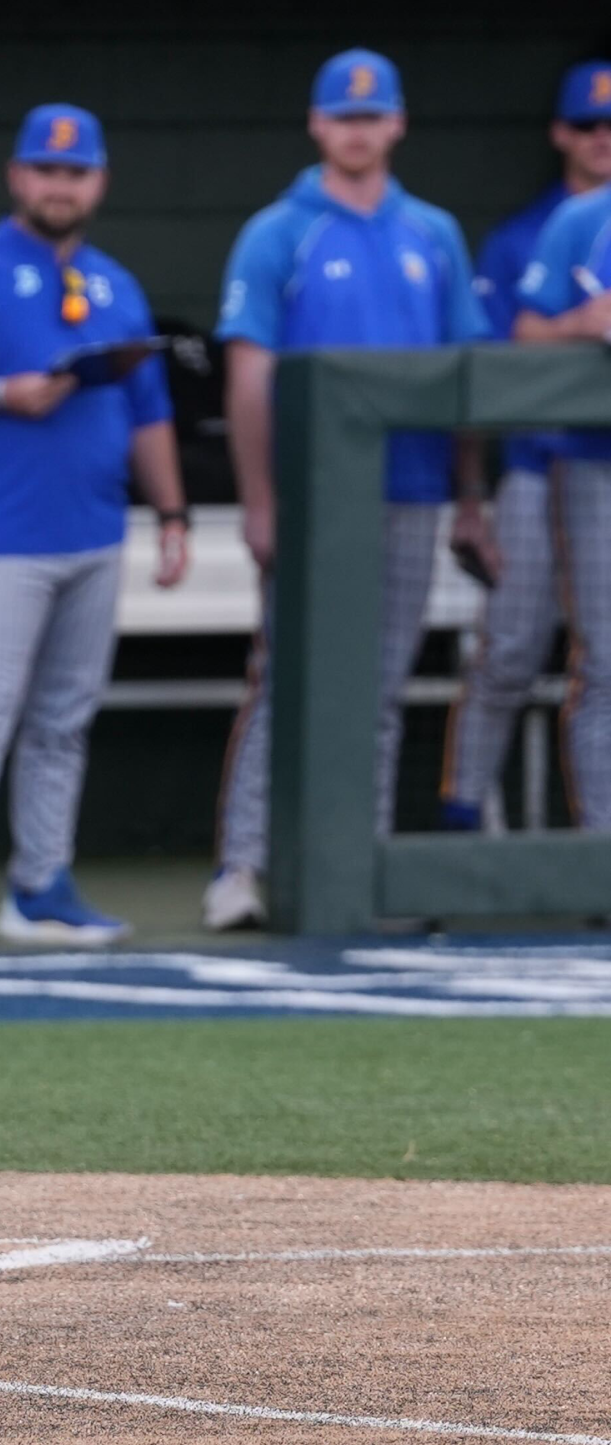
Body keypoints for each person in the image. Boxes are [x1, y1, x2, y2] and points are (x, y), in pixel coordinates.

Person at [0, 106, 190, 956]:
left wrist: (170, 513)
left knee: (65, 716)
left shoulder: (116, 283)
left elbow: (148, 410)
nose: (61, 185)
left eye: (77, 171)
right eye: (47, 170)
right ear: (19, 176)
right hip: (0, 532)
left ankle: (41, 887)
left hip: (94, 527)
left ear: (99, 181)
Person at [205, 50, 490, 931]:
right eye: (343, 115)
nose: (359, 129)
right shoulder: (279, 231)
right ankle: (243, 867)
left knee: (381, 686)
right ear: (317, 125)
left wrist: (469, 499)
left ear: (398, 123)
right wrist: (262, 500)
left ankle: (356, 872)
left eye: (373, 114)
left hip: (408, 489)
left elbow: (466, 375)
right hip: (312, 496)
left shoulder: (432, 232)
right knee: (283, 679)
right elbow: (247, 374)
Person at [441, 60, 611, 829]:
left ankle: (598, 851)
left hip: (597, 472)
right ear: (560, 134)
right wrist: (471, 492)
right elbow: (496, 358)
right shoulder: (531, 234)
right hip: (541, 469)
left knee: (606, 666)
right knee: (510, 650)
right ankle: (462, 816)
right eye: (587, 125)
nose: (602, 139)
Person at [507, 111, 611, 822]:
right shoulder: (582, 220)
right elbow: (525, 334)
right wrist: (588, 321)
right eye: (590, 123)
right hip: (590, 464)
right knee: (604, 663)